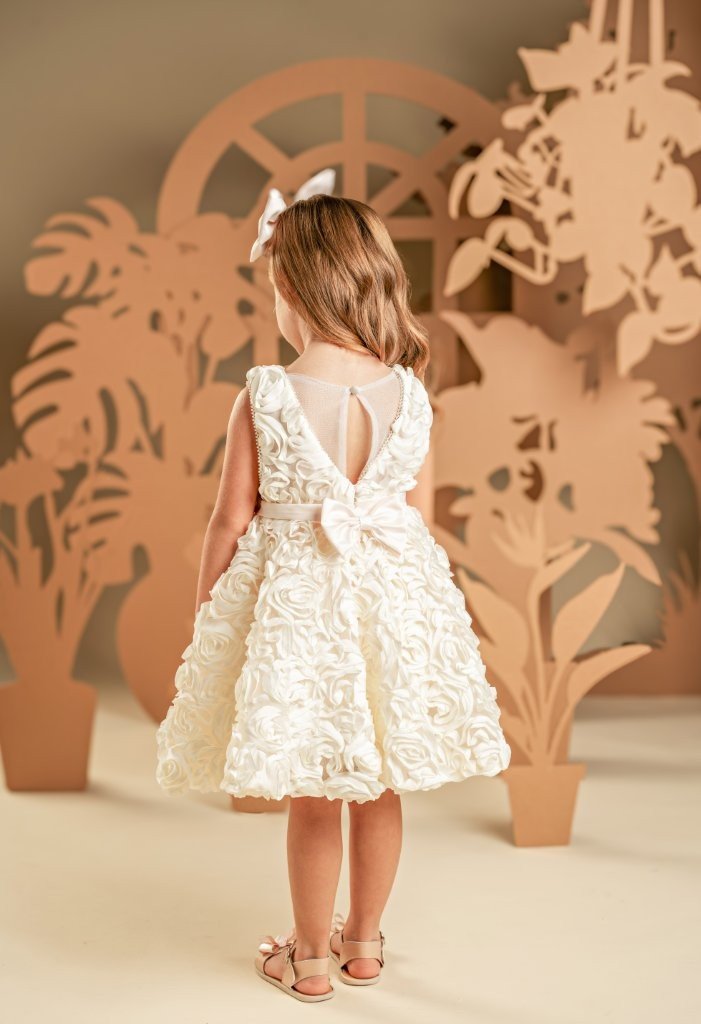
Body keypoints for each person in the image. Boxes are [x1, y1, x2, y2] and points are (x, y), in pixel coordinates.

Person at [155, 170, 511, 1003]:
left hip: (299, 619)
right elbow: (417, 521)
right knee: (377, 781)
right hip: (387, 610)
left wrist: (210, 617)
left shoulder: (267, 393)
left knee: (315, 787)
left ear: (292, 289)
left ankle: (308, 958)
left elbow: (229, 521)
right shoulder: (410, 395)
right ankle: (364, 945)